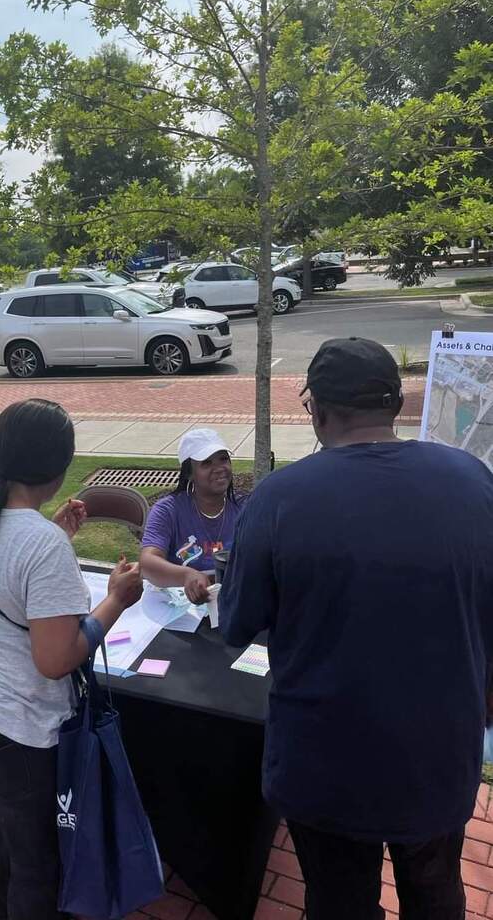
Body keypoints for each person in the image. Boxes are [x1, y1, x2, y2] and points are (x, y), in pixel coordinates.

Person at [220, 336, 493, 920]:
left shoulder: (278, 499)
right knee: (436, 890)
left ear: (317, 408)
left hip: (326, 767)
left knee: (340, 902)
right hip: (439, 757)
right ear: (395, 404)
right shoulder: (475, 482)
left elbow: (236, 623)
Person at [0, 398, 144, 920]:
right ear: (61, 464)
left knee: (5, 834)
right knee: (37, 863)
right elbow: (56, 660)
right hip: (14, 731)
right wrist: (116, 599)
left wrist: (55, 532)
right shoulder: (41, 543)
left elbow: (8, 573)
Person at [141, 428, 247, 603]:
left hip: (236, 605)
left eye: (224, 459)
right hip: (180, 610)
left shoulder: (245, 507)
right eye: (206, 463)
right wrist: (187, 576)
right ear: (189, 473)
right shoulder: (168, 510)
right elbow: (148, 562)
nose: (219, 468)